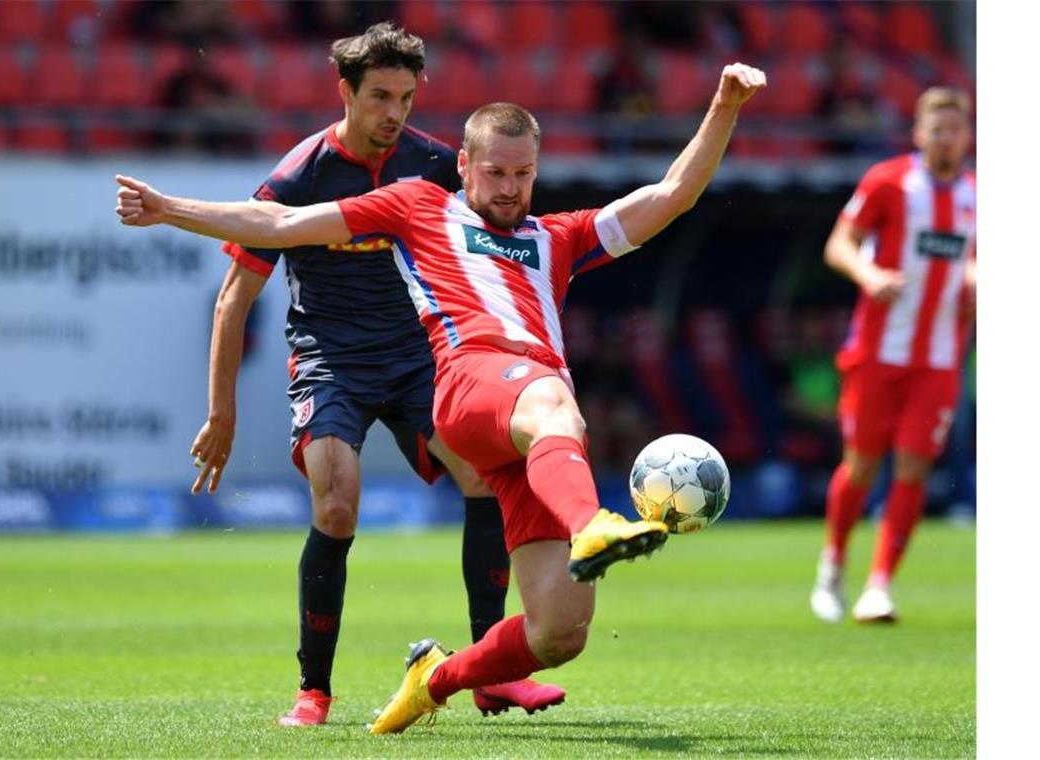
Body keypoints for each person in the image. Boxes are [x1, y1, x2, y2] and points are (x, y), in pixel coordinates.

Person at [114, 61, 767, 733]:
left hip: (530, 432)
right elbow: (278, 224)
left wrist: (723, 105)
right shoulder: (419, 207)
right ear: (464, 165)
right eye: (496, 174)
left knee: (559, 631)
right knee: (551, 400)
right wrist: (169, 210)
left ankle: (436, 678)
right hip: (469, 385)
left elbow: (673, 194)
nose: (511, 190)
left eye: (523, 175)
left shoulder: (558, 236)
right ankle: (589, 524)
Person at [189, 23, 563, 726]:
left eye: (406, 96)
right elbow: (234, 298)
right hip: (332, 359)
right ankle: (314, 691)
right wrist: (223, 412)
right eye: (381, 96)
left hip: (421, 355)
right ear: (346, 94)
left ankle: (491, 670)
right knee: (337, 502)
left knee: (482, 475)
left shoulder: (434, 165)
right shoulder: (299, 177)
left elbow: (498, 245)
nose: (395, 112)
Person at [809, 86, 976, 624]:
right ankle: (833, 565)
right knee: (861, 464)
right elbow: (840, 243)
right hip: (877, 353)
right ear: (919, 134)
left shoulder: (981, 196)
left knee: (913, 465)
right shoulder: (889, 181)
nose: (946, 140)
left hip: (940, 358)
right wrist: (870, 273)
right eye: (937, 130)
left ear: (966, 136)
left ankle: (879, 585)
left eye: (955, 130)